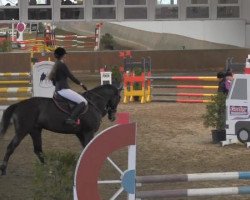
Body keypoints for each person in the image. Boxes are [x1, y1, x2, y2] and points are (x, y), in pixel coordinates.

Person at [49, 47, 88, 126]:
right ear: (63, 55)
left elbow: (52, 80)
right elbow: (71, 76)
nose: (65, 56)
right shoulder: (62, 64)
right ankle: (71, 119)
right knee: (83, 102)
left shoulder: (56, 64)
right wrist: (81, 84)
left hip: (58, 90)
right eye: (64, 55)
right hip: (63, 90)